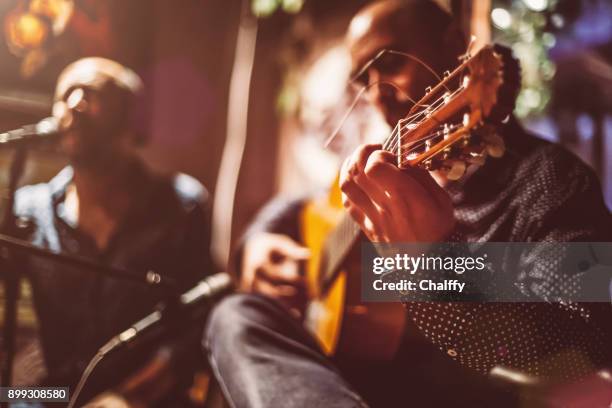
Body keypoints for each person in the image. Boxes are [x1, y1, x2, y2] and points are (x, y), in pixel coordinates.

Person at [204, 1, 612, 407]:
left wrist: (437, 265)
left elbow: (585, 350)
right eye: (364, 78)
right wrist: (256, 243)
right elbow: (300, 204)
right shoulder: (383, 172)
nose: (379, 92)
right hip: (348, 388)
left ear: (455, 46)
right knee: (235, 316)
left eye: (390, 62)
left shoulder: (552, 180)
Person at [14, 57, 216, 407]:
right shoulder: (28, 211)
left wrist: (156, 375)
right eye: (67, 95)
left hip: (148, 398)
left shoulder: (182, 204)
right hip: (56, 396)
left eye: (91, 95)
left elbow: (206, 311)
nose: (75, 104)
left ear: (131, 121)